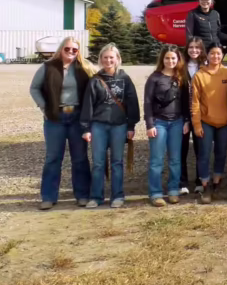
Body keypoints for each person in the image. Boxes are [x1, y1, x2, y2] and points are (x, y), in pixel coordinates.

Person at [29, 36, 96, 210]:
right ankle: (48, 197)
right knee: (53, 158)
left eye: (75, 49)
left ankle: (83, 195)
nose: (71, 52)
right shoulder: (48, 67)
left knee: (80, 158)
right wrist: (44, 107)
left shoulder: (84, 67)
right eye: (67, 49)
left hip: (77, 117)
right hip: (55, 118)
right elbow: (34, 88)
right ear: (61, 49)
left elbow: (99, 82)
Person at [81, 44, 140, 209]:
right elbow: (88, 105)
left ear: (117, 59)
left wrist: (131, 126)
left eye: (111, 57)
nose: (108, 60)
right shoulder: (95, 80)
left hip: (119, 126)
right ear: (101, 59)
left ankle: (118, 196)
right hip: (98, 126)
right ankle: (96, 197)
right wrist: (86, 128)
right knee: (98, 163)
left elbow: (132, 102)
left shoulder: (125, 79)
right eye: (105, 57)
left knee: (117, 162)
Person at [144, 45, 190, 207]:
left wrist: (186, 121)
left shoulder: (181, 78)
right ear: (162, 59)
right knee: (156, 160)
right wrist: (149, 124)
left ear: (178, 59)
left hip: (177, 122)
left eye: (173, 58)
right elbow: (148, 102)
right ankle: (155, 193)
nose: (170, 61)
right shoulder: (154, 78)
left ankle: (173, 190)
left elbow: (185, 101)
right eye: (167, 58)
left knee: (175, 159)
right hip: (159, 122)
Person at [191, 44, 227, 204]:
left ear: (222, 55)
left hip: (224, 122)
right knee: (204, 154)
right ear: (207, 55)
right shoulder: (199, 75)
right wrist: (197, 124)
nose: (215, 56)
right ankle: (206, 186)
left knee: (221, 153)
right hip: (206, 121)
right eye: (212, 53)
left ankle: (217, 185)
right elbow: (195, 102)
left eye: (218, 53)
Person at [179, 38, 206, 195]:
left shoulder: (206, 66)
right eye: (191, 47)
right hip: (182, 113)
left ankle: (200, 181)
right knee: (181, 149)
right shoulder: (180, 66)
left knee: (200, 149)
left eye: (197, 47)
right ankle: (182, 182)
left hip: (200, 115)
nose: (194, 50)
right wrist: (185, 118)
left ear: (201, 49)